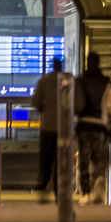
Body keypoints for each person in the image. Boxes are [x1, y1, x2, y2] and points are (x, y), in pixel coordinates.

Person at [75, 52, 111, 203]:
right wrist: (106, 112)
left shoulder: (80, 81)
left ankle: (85, 193)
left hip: (83, 124)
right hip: (100, 125)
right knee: (98, 159)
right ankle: (99, 188)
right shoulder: (106, 82)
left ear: (87, 63)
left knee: (84, 160)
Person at [31, 56, 63, 201]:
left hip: (47, 126)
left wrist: (44, 108)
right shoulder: (68, 81)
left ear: (52, 66)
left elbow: (36, 101)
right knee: (61, 160)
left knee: (45, 159)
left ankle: (43, 188)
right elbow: (79, 103)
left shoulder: (43, 81)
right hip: (64, 129)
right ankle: (59, 191)